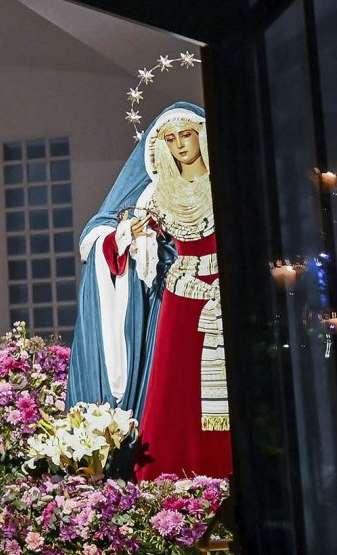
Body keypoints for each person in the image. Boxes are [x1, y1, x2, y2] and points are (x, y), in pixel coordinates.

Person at [67, 102, 232, 479]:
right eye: (171, 139)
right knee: (176, 389)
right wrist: (131, 236)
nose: (181, 146)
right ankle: (174, 482)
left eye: (187, 135)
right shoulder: (159, 195)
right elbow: (114, 239)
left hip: (223, 292)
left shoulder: (223, 184)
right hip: (181, 295)